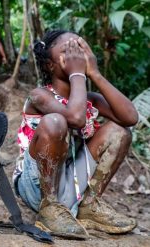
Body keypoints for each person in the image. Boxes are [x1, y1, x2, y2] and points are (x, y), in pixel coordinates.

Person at [13, 30, 139, 239]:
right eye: (68, 51)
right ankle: (49, 208)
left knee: (120, 131)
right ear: (49, 65)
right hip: (36, 186)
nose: (76, 57)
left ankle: (89, 204)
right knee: (56, 121)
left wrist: (95, 73)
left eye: (80, 49)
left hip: (72, 182)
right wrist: (78, 74)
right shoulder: (39, 96)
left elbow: (130, 117)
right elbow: (75, 118)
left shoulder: (90, 99)